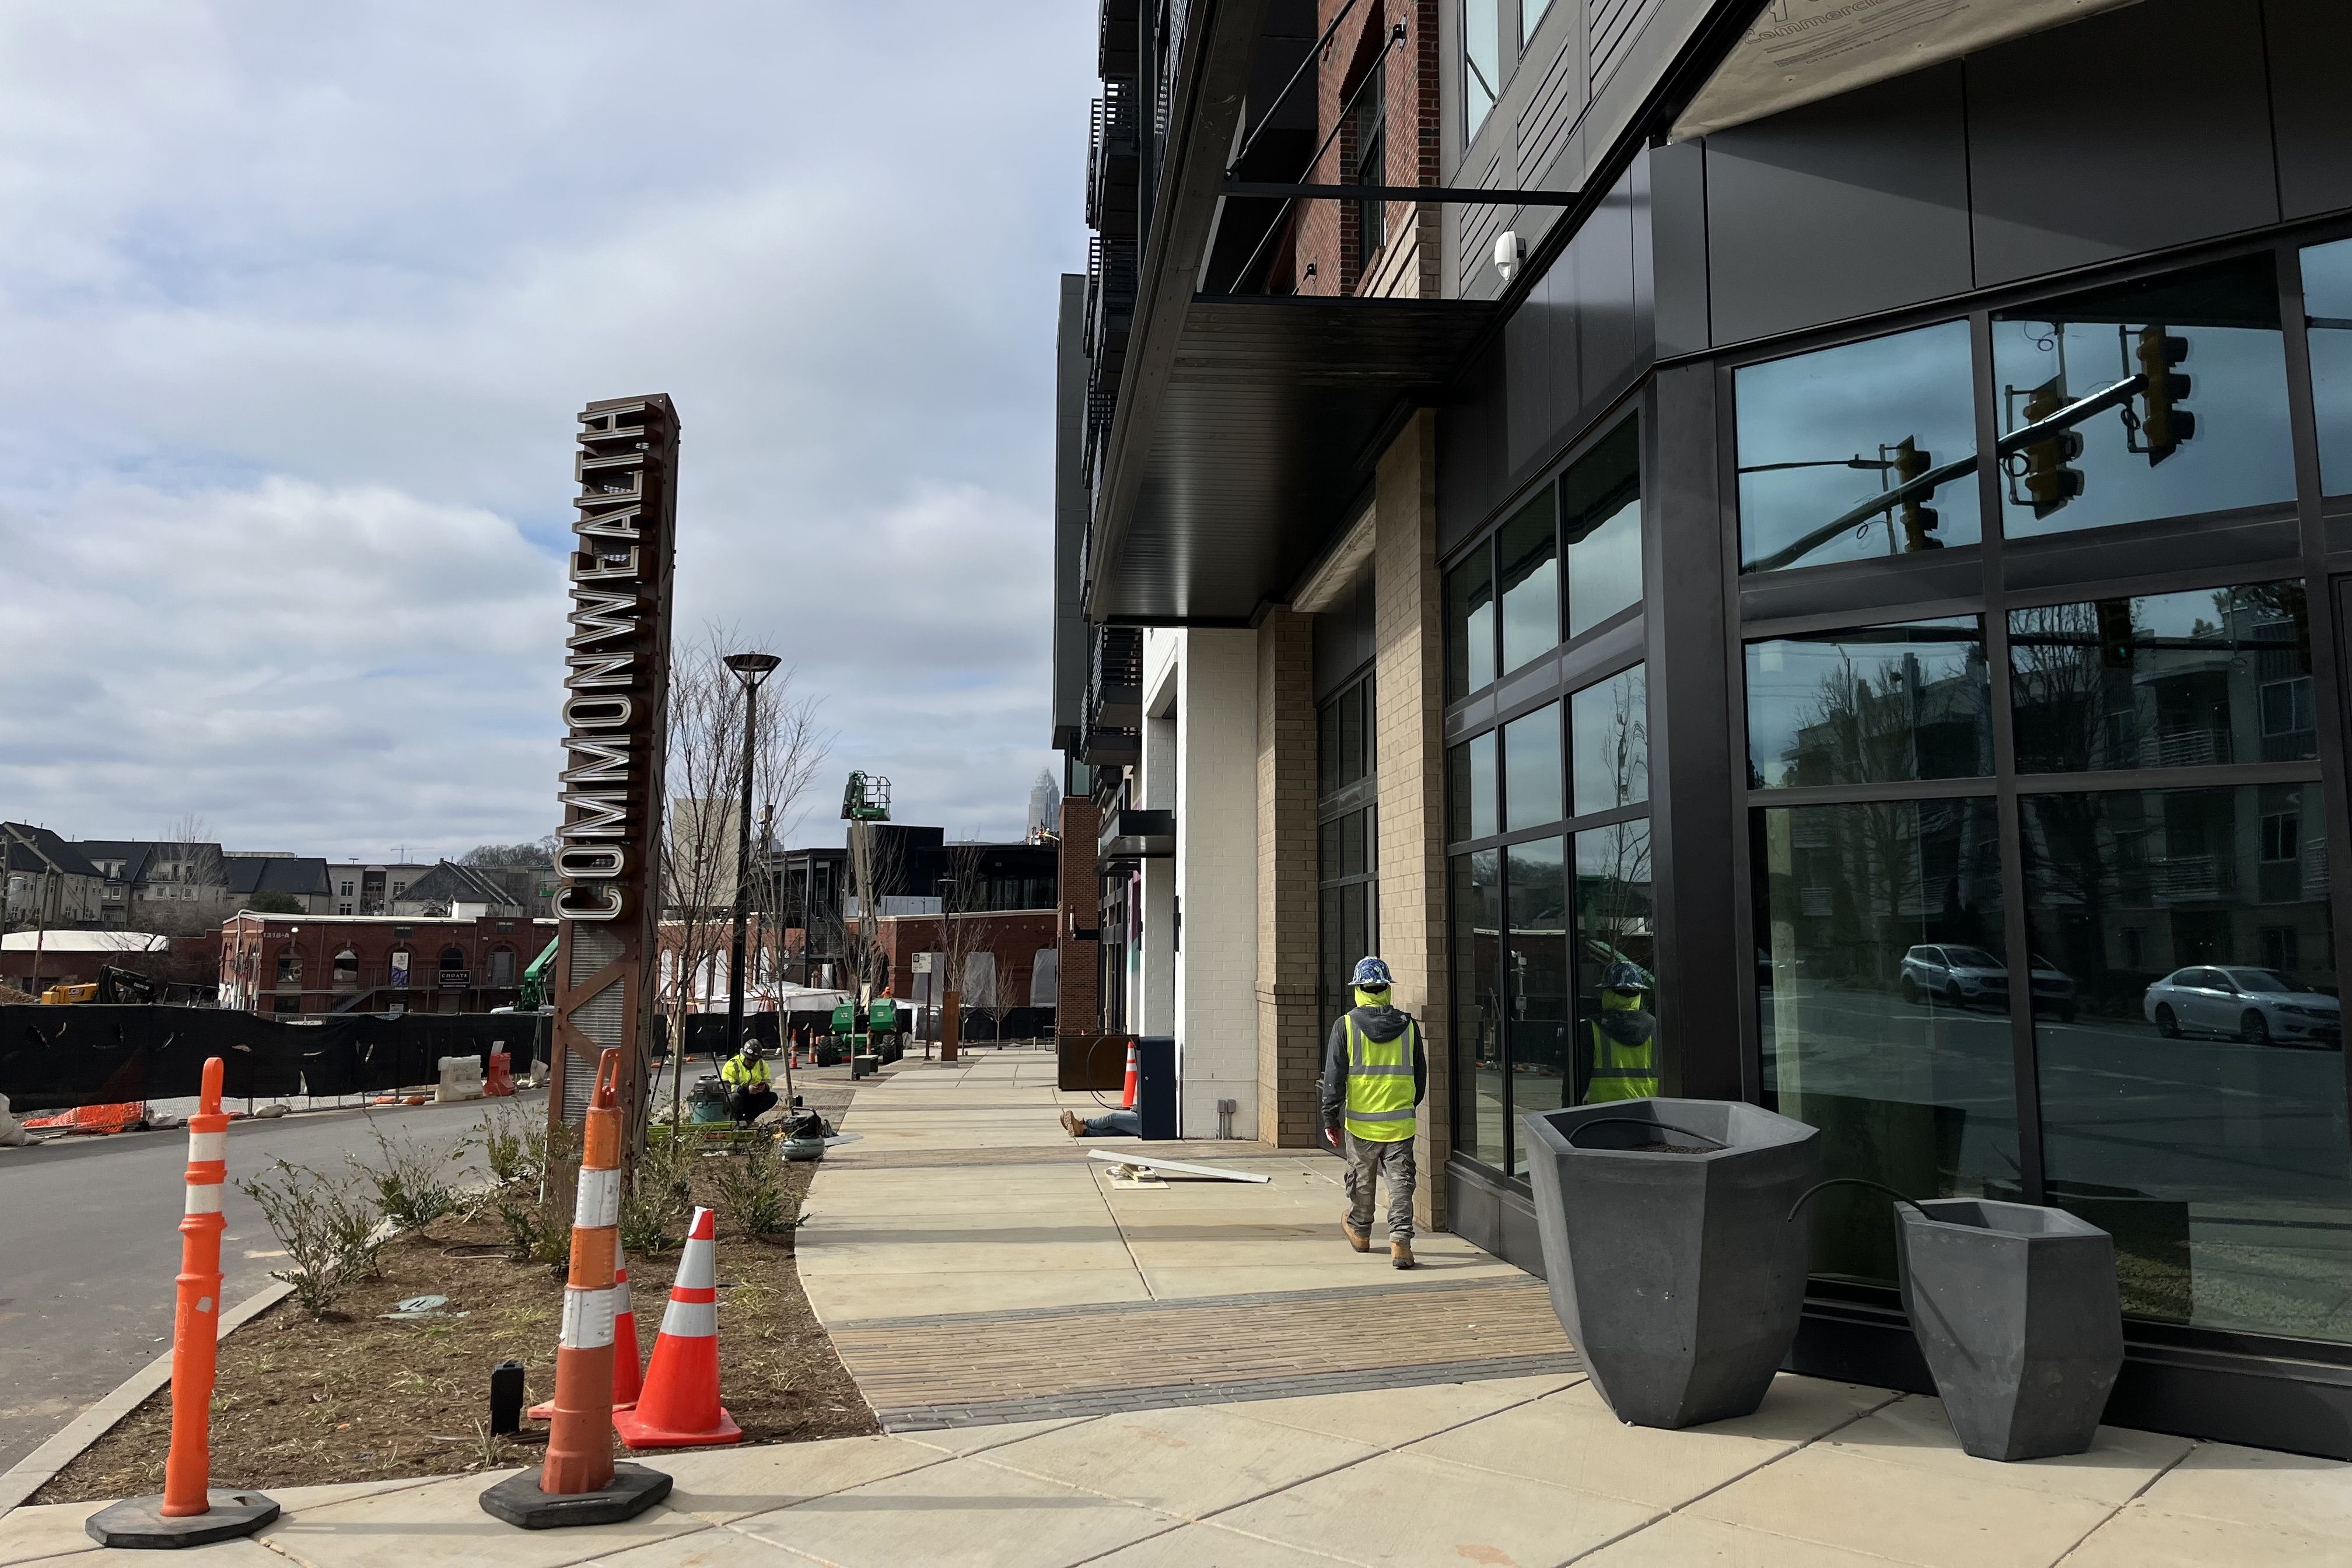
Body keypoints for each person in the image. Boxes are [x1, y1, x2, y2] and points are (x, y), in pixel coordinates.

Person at [1320, 956, 1426, 1270]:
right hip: (1400, 1123)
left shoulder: (1346, 1025)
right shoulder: (1408, 1026)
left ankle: (1361, 1232)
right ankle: (1401, 1243)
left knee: (1362, 1179)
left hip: (1362, 1123)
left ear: (1359, 990)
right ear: (1386, 990)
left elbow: (1334, 1077)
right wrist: (1406, 1105)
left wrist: (1330, 1117)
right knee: (1401, 1183)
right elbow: (1420, 1076)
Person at [1583, 962, 1659, 1103]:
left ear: (1607, 993)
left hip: (1602, 1117)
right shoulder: (1657, 1028)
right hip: (1648, 1114)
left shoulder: (1592, 1028)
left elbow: (1576, 1080)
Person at [719, 1040, 777, 1126]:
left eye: (755, 1061)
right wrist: (746, 1089)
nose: (752, 1064)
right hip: (739, 1097)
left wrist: (765, 1088)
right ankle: (738, 1121)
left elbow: (768, 1081)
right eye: (750, 1061)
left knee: (772, 1097)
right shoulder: (731, 1065)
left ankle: (749, 1119)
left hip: (754, 1096)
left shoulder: (762, 1064)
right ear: (744, 1056)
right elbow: (726, 1087)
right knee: (734, 1098)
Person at [1059, 1107, 1139, 1138]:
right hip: (1146, 1126)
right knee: (1113, 1130)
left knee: (1113, 1119)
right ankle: (1083, 1131)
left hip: (1146, 1122)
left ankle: (1085, 1124)